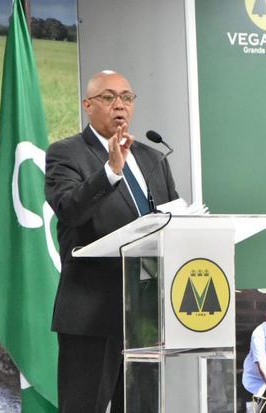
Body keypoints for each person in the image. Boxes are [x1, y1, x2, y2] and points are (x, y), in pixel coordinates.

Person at [45, 70, 179, 412]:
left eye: (126, 97)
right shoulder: (65, 153)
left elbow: (170, 220)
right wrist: (110, 172)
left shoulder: (152, 158)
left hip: (145, 313)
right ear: (88, 106)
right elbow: (69, 210)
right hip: (91, 313)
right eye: (108, 97)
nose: (119, 104)